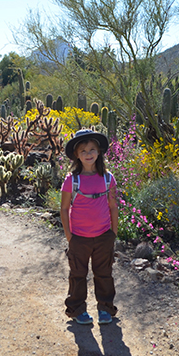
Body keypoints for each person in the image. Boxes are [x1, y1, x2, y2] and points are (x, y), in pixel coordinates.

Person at [60, 129, 119, 325]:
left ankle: (105, 308)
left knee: (104, 273)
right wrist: (69, 236)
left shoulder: (108, 178)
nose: (88, 154)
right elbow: (64, 208)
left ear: (99, 152)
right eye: (83, 150)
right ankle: (77, 310)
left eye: (92, 149)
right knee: (78, 274)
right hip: (79, 237)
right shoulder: (72, 180)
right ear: (76, 155)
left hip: (103, 236)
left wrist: (113, 233)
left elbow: (113, 206)